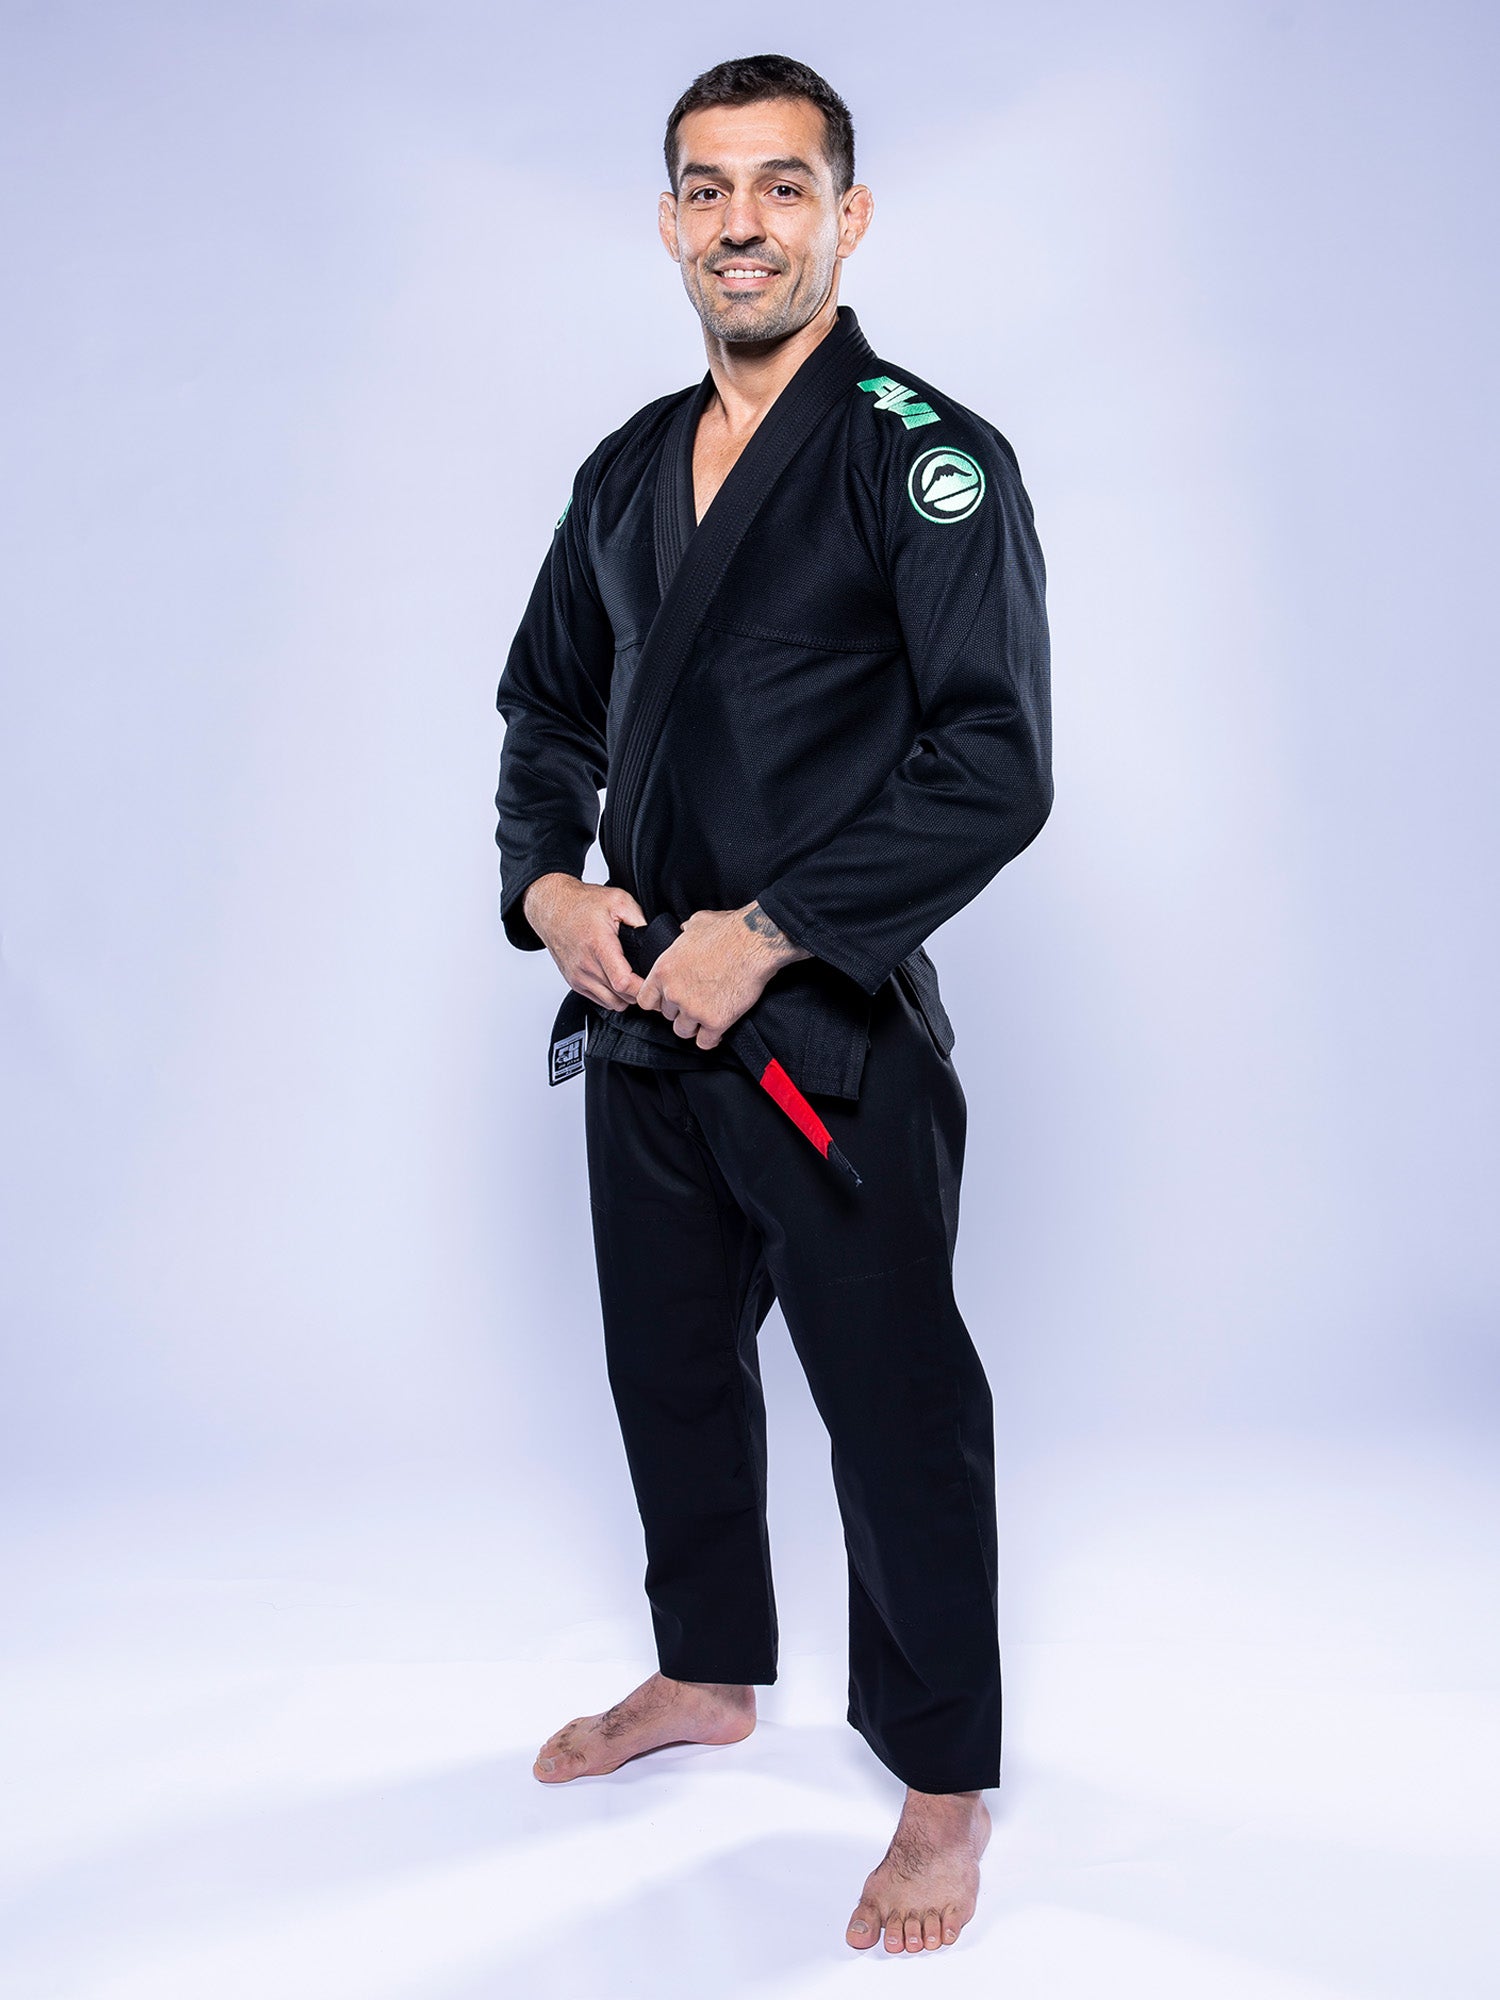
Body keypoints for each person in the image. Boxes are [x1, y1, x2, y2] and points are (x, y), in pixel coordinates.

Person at [493, 53, 1051, 1954]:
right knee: (669, 1369)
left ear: (848, 217)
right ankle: (710, 1671)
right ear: (669, 219)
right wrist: (547, 884)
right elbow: (545, 708)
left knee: (895, 1410)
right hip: (637, 1019)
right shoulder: (631, 463)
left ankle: (946, 1786)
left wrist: (784, 926)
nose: (745, 223)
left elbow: (995, 763)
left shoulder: (924, 456)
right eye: (708, 190)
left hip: (823, 1039)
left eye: (784, 187)